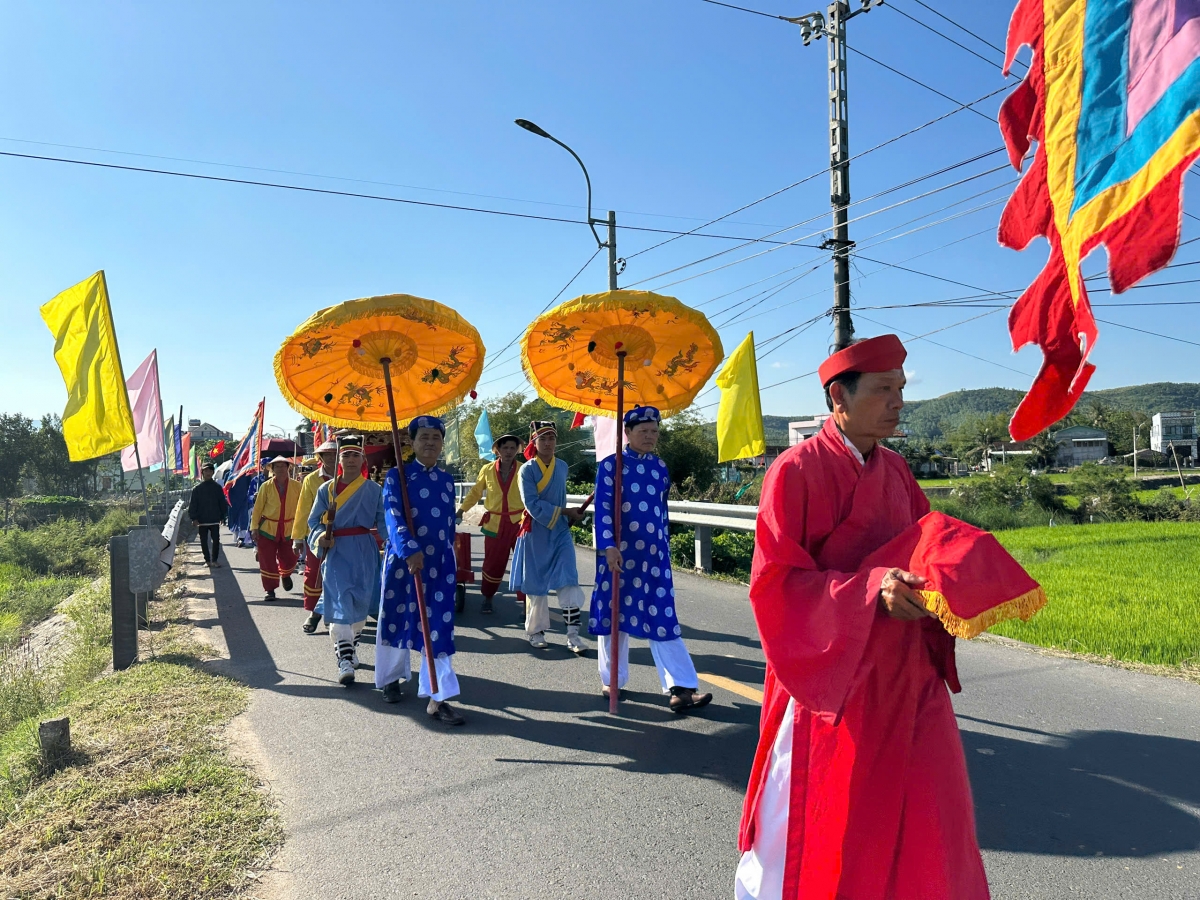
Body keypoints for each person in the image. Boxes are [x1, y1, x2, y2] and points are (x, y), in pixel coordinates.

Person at [734, 335, 989, 900]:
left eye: (901, 389)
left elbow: (925, 543)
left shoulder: (896, 471)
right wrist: (871, 589)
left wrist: (964, 575)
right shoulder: (795, 470)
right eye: (883, 390)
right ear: (839, 399)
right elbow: (776, 584)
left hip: (903, 674)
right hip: (828, 679)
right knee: (813, 820)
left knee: (925, 812)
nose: (899, 401)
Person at [589, 406, 712, 712]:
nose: (650, 436)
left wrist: (664, 546)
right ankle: (612, 680)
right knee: (614, 619)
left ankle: (682, 688)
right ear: (627, 433)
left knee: (663, 618)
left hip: (655, 559)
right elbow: (603, 511)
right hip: (618, 556)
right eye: (643, 431)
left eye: (654, 431)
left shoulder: (660, 468)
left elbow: (662, 513)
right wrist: (608, 546)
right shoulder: (610, 467)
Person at [375, 417, 465, 725]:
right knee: (397, 618)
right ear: (411, 442)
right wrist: (409, 549)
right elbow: (392, 514)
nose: (430, 443)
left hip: (439, 565)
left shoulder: (446, 479)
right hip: (405, 562)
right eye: (423, 437)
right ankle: (390, 676)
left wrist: (451, 557)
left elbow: (449, 523)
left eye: (436, 438)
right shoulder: (396, 476)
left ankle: (437, 696)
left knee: (438, 624)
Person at [307, 435, 387, 686]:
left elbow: (384, 522)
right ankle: (344, 659)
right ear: (339, 460)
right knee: (340, 604)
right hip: (337, 550)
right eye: (346, 455)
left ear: (362, 459)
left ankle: (350, 648)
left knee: (360, 604)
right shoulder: (326, 489)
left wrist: (393, 546)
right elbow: (312, 522)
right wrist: (320, 537)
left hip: (364, 550)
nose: (350, 459)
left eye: (355, 455)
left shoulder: (374, 489)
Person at [509, 421, 587, 652]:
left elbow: (559, 496)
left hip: (560, 531)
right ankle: (536, 631)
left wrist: (569, 514)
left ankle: (573, 635)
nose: (548, 443)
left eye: (551, 438)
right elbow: (531, 504)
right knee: (536, 584)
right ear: (534, 442)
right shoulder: (527, 470)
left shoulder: (562, 466)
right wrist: (565, 512)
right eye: (542, 439)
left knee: (569, 579)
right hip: (536, 532)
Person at [457, 433, 526, 614]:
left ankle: (527, 604)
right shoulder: (487, 470)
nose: (509, 451)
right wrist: (461, 510)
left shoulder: (524, 469)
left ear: (517, 450)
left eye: (513, 448)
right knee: (492, 564)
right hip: (494, 523)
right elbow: (475, 493)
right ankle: (487, 597)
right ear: (498, 451)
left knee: (524, 564)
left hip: (519, 522)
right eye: (505, 448)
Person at [293, 440, 338, 633]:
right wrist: (298, 538)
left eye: (334, 454)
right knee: (314, 575)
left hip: (343, 534)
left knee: (339, 576)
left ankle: (331, 614)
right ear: (320, 458)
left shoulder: (350, 477)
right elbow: (303, 509)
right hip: (317, 534)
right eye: (326, 455)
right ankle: (314, 613)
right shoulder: (311, 479)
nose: (331, 458)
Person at [250, 456, 301, 601]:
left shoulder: (298, 486)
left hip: (289, 528)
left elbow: (302, 508)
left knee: (291, 557)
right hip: (268, 528)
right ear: (272, 469)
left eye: (283, 466)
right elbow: (258, 509)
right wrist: (254, 528)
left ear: (288, 467)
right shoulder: (265, 486)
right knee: (267, 560)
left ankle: (285, 574)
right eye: (277, 466)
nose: (280, 469)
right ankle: (270, 590)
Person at [189, 460, 229, 567]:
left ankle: (214, 560)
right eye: (205, 471)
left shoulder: (217, 488)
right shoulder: (197, 489)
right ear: (202, 473)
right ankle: (207, 560)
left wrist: (222, 516)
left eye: (210, 471)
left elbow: (222, 503)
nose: (208, 473)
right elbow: (193, 504)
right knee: (204, 541)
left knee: (216, 540)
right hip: (202, 520)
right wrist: (194, 518)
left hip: (214, 519)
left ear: (212, 472)